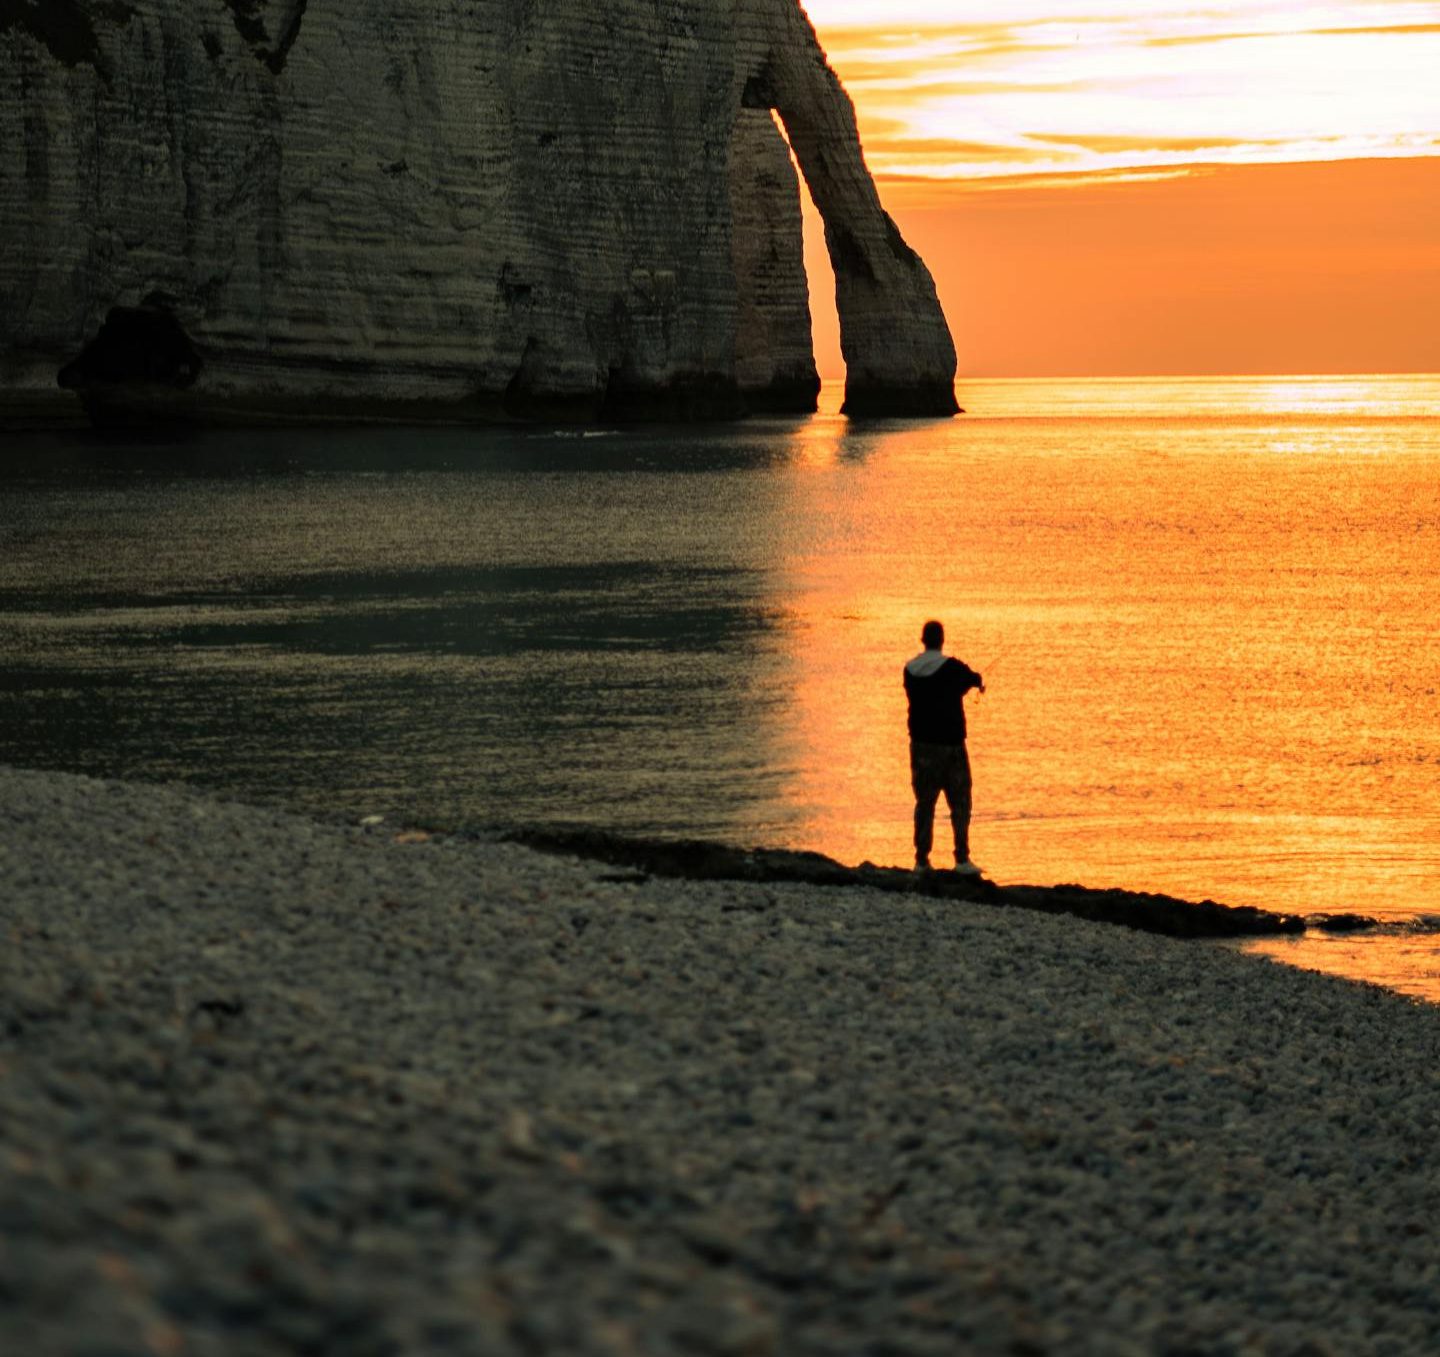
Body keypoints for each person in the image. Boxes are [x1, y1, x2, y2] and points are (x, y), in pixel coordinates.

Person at [903, 620, 984, 875]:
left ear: (923, 639)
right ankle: (961, 859)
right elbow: (973, 678)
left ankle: (921, 860)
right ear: (942, 639)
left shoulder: (909, 669)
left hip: (920, 746)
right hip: (950, 746)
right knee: (960, 802)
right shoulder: (952, 667)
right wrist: (977, 683)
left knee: (924, 802)